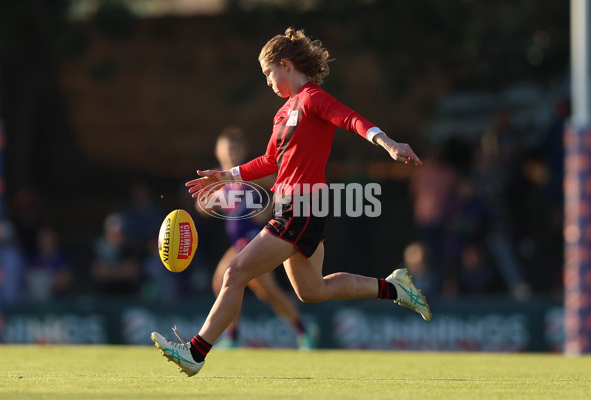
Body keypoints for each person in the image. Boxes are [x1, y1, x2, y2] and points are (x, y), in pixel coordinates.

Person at [151, 28, 431, 377]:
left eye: (269, 73)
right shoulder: (282, 114)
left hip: (303, 207)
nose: (268, 82)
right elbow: (271, 161)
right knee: (312, 291)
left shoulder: (312, 97)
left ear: (285, 64)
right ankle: (394, 287)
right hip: (294, 208)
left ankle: (196, 351)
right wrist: (226, 176)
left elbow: (350, 119)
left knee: (234, 272)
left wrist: (387, 143)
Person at [197, 127, 318, 350]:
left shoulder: (247, 172)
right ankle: (239, 335)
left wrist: (270, 210)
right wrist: (208, 201)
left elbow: (280, 187)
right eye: (227, 149)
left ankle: (301, 330)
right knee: (260, 291)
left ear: (242, 150)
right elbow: (202, 206)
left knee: (247, 284)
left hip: (253, 237)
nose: (231, 153)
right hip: (237, 241)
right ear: (217, 151)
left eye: (235, 148)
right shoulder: (218, 176)